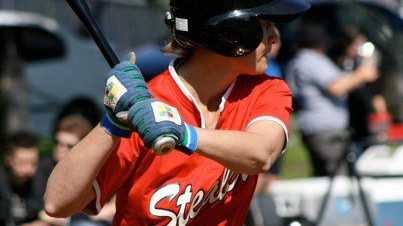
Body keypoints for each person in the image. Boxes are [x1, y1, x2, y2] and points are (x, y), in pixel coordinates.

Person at [44, 1, 310, 225]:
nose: (275, 37)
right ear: (230, 32)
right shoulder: (146, 108)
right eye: (263, 26)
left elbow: (261, 154)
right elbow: (57, 203)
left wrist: (182, 133)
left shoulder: (266, 90)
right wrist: (111, 123)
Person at [286, 23, 379, 177]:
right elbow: (336, 87)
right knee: (338, 179)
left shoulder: (299, 61)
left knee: (326, 177)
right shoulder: (311, 60)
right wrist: (361, 74)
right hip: (325, 131)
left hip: (319, 129)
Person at [0, 131, 48, 226]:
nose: (29, 170)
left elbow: (48, 215)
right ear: (8, 159)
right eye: (22, 162)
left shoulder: (41, 179)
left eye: (33, 163)